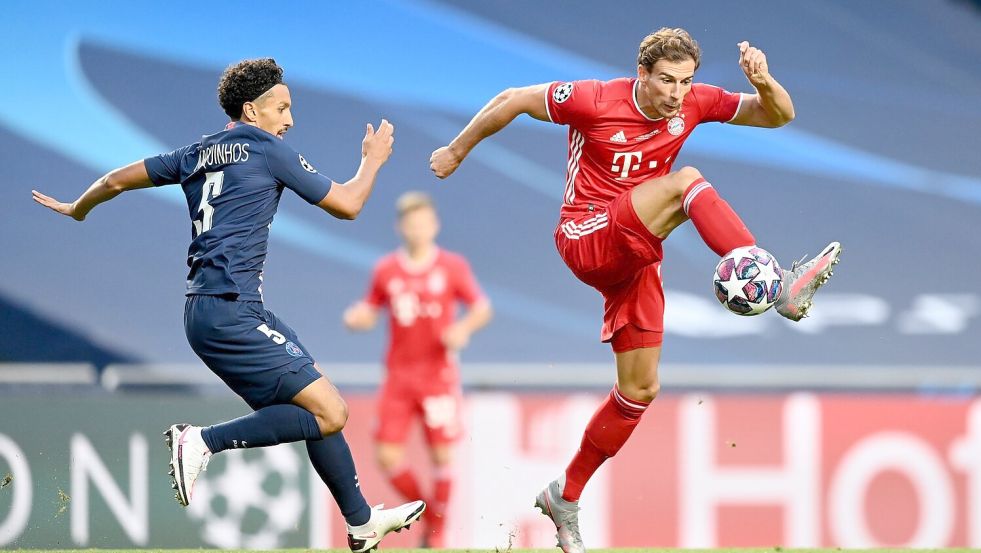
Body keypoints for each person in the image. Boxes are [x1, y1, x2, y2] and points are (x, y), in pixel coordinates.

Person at [430, 29, 840, 553]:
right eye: (666, 80)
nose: (677, 93)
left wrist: (763, 82)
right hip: (586, 233)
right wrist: (456, 151)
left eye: (685, 81)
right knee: (686, 181)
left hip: (637, 252)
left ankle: (565, 496)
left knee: (639, 391)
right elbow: (513, 99)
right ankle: (777, 285)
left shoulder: (694, 103)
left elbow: (778, 115)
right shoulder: (594, 99)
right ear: (641, 73)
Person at [33, 58, 424, 553]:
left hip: (211, 311)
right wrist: (373, 160)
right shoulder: (267, 149)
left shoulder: (195, 153)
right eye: (282, 108)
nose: (290, 120)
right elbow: (348, 204)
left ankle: (361, 523)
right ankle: (200, 441)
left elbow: (114, 181)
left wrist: (78, 208)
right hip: (230, 310)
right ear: (251, 110)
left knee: (312, 405)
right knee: (332, 412)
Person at [343, 191, 493, 548]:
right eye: (411, 224)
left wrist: (462, 329)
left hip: (438, 376)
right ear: (401, 228)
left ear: (435, 225)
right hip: (398, 377)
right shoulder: (386, 270)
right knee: (387, 455)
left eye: (423, 223)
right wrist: (358, 318)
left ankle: (436, 535)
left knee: (442, 454)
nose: (418, 230)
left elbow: (481, 308)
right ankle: (428, 515)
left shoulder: (452, 266)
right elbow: (370, 309)